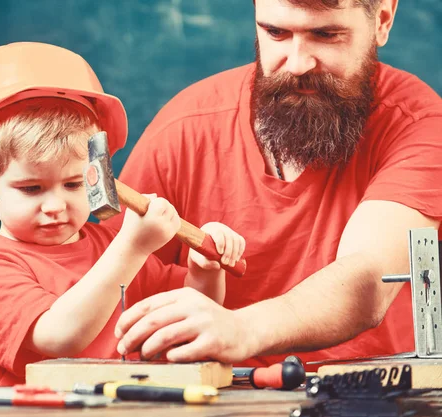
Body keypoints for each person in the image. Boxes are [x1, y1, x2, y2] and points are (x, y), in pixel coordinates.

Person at [106, 0, 442, 369]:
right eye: (276, 33)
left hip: (366, 398)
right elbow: (107, 288)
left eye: (326, 35)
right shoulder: (185, 126)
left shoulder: (421, 125)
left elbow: (368, 279)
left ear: (382, 19)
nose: (297, 64)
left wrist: (241, 329)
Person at [0, 42, 245, 386]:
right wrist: (133, 247)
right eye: (31, 188)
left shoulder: (110, 244)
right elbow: (60, 337)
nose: (55, 206)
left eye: (73, 184)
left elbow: (186, 320)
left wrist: (205, 271)